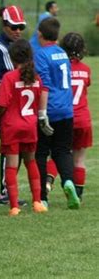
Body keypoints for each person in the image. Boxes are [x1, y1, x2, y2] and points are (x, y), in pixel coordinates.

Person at [0, 39, 48, 216]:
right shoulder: (35, 78)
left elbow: (2, 103)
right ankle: (37, 202)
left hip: (12, 126)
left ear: (11, 58)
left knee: (11, 166)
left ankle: (14, 206)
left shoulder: (9, 77)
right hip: (30, 125)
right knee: (31, 162)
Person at [33, 17, 80, 209]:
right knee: (62, 150)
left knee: (41, 153)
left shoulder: (40, 55)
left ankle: (42, 197)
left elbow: (44, 83)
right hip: (66, 110)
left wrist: (42, 113)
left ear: (40, 34)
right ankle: (68, 181)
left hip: (49, 109)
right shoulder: (62, 52)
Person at [0, 5, 28, 205]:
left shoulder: (19, 46)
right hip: (2, 104)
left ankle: (8, 189)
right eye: (13, 26)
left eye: (20, 26)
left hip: (17, 105)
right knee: (10, 147)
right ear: (4, 25)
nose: (17, 30)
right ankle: (5, 191)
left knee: (16, 146)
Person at [59, 33, 92, 199]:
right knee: (79, 159)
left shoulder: (61, 67)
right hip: (83, 119)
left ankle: (47, 185)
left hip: (66, 117)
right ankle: (77, 195)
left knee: (58, 153)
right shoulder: (86, 69)